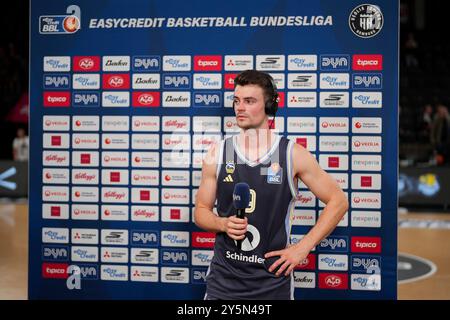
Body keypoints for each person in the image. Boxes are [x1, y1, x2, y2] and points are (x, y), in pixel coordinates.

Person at [194, 70, 348, 300]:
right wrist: (222, 223)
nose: (240, 107)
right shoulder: (218, 152)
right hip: (222, 285)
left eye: (249, 101)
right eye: (237, 101)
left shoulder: (292, 154)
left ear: (268, 106)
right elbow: (201, 212)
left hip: (272, 286)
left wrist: (303, 247)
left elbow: (338, 201)